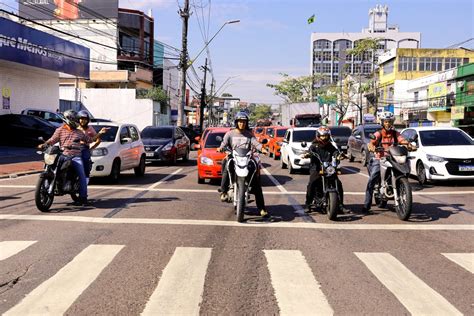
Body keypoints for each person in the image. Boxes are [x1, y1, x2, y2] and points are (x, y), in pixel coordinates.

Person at [38, 110, 107, 206]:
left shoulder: (79, 132)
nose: (78, 121)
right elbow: (52, 140)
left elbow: (90, 140)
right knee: (51, 165)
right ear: (70, 119)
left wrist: (100, 133)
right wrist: (44, 144)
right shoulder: (60, 130)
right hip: (62, 155)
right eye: (76, 119)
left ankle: (83, 197)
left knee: (82, 176)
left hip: (76, 157)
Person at [217, 111, 269, 218]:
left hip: (247, 157)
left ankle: (262, 208)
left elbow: (256, 144)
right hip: (234, 156)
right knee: (226, 162)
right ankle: (224, 192)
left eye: (244, 122)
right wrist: (221, 148)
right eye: (240, 122)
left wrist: (262, 149)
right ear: (236, 122)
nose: (242, 124)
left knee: (255, 176)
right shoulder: (230, 134)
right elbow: (223, 143)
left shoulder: (249, 134)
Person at [362, 111, 414, 213]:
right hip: (381, 158)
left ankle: (401, 190)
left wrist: (409, 145)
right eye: (385, 122)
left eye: (389, 121)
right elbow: (371, 143)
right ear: (382, 122)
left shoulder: (395, 133)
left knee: (403, 171)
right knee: (372, 179)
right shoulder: (379, 133)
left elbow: (402, 140)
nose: (388, 123)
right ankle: (366, 204)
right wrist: (372, 147)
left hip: (393, 158)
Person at [303, 126, 345, 211]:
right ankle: (308, 204)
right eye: (322, 136)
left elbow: (336, 152)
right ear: (318, 136)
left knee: (338, 183)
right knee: (312, 182)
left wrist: (339, 156)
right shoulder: (314, 146)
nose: (324, 138)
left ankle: (340, 205)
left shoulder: (330, 146)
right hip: (316, 168)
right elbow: (309, 151)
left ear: (328, 136)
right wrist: (307, 154)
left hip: (328, 168)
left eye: (325, 136)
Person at [77, 110, 103, 184]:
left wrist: (91, 149)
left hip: (84, 148)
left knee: (85, 159)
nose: (83, 121)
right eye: (81, 119)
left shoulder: (90, 128)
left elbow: (98, 140)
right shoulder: (74, 128)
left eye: (85, 119)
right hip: (73, 148)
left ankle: (86, 177)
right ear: (78, 119)